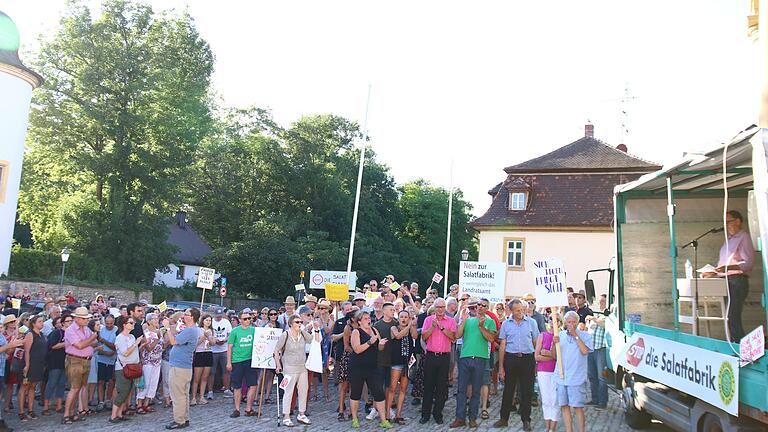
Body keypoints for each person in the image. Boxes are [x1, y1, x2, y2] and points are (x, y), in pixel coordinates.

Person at [703, 210, 755, 341]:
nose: (726, 225)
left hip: (737, 281)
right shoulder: (729, 240)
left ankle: (741, 348)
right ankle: (734, 344)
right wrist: (713, 272)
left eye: (728, 222)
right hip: (726, 281)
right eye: (724, 223)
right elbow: (725, 264)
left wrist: (728, 267)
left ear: (737, 221)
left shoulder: (744, 237)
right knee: (728, 317)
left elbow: (748, 263)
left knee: (733, 316)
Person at [449, 298, 497, 429]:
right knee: (461, 390)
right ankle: (460, 418)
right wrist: (463, 320)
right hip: (465, 357)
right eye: (478, 305)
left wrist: (481, 327)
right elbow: (457, 336)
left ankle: (472, 418)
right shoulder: (468, 320)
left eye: (483, 305)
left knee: (476, 390)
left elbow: (491, 338)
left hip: (481, 358)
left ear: (487, 308)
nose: (480, 307)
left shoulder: (490, 321)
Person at [495, 299, 540, 431]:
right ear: (511, 311)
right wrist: (501, 367)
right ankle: (504, 418)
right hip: (511, 358)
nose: (520, 312)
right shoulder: (506, 324)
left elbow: (536, 342)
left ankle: (526, 420)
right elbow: (503, 345)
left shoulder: (531, 322)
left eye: (521, 309)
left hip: (527, 358)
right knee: (508, 390)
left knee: (527, 391)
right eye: (517, 310)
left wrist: (536, 361)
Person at [274, 314, 321, 427]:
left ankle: (301, 413)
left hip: (302, 367)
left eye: (300, 322)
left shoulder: (303, 333)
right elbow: (276, 350)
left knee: (303, 391)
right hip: (289, 368)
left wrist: (316, 329)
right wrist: (277, 365)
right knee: (288, 392)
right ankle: (286, 416)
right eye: (297, 322)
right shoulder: (285, 335)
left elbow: (316, 340)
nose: (299, 324)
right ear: (291, 323)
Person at [348, 310, 391, 429]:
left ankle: (383, 420)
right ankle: (355, 419)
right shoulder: (356, 332)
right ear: (360, 321)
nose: (368, 320)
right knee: (356, 393)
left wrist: (381, 344)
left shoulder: (374, 330)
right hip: (358, 367)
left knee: (379, 393)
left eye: (369, 318)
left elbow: (379, 349)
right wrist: (369, 342)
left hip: (373, 367)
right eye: (365, 318)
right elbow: (357, 349)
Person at [554, 310, 593, 432]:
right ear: (565, 322)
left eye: (573, 322)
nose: (571, 324)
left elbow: (585, 351)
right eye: (569, 322)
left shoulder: (585, 335)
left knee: (578, 407)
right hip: (561, 377)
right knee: (564, 406)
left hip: (576, 378)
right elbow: (555, 355)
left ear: (577, 322)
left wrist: (576, 335)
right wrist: (553, 344)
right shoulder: (560, 335)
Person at [419, 298, 457, 425]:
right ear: (434, 308)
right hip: (430, 356)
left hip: (444, 357)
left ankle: (437, 413)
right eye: (438, 307)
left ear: (445, 308)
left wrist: (441, 328)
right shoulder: (428, 320)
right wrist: (432, 327)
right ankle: (425, 414)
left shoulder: (450, 321)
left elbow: (453, 338)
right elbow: (424, 337)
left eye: (442, 307)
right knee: (428, 386)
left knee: (441, 387)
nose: (440, 310)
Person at [165, 308, 201, 430]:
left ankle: (179, 420)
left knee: (178, 395)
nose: (183, 316)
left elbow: (173, 341)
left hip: (180, 367)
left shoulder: (190, 330)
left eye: (186, 314)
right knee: (183, 395)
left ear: (192, 317)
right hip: (184, 366)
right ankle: (184, 418)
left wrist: (167, 328)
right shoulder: (191, 330)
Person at [63, 307, 100, 424]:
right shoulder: (70, 330)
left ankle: (73, 413)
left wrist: (89, 341)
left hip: (86, 360)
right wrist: (91, 339)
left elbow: (91, 343)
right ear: (77, 319)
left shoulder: (85, 329)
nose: (86, 321)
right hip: (75, 360)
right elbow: (79, 345)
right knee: (74, 388)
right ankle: (66, 415)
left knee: (79, 388)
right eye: (84, 319)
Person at [110, 315, 145, 423]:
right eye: (130, 323)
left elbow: (133, 351)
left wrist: (141, 345)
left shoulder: (131, 337)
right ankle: (113, 415)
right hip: (123, 368)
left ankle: (120, 414)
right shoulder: (120, 338)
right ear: (124, 325)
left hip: (132, 367)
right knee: (122, 391)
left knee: (128, 390)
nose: (133, 324)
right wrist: (136, 343)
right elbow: (125, 353)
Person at [226, 310, 257, 418]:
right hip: (237, 361)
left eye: (249, 318)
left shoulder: (254, 330)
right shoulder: (235, 331)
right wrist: (229, 362)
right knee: (237, 386)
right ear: (240, 320)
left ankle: (249, 409)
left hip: (250, 360)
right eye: (245, 319)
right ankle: (237, 409)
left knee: (253, 385)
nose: (248, 320)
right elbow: (229, 347)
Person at [388, 309, 417, 425]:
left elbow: (415, 336)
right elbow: (398, 336)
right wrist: (410, 324)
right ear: (398, 318)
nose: (404, 319)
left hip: (407, 362)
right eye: (402, 317)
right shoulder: (393, 328)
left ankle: (398, 414)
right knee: (392, 388)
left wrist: (412, 326)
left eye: (406, 317)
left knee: (403, 389)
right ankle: (387, 414)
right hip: (396, 362)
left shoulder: (410, 327)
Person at [372, 302, 397, 421]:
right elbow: (376, 346)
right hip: (380, 360)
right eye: (391, 310)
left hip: (393, 360)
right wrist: (381, 345)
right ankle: (375, 408)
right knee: (378, 386)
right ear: (385, 311)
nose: (393, 311)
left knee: (389, 387)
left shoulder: (396, 323)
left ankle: (388, 407)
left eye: (394, 309)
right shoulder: (377, 325)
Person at [18, 315, 46, 421]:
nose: (42, 323)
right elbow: (27, 351)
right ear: (34, 323)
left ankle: (30, 409)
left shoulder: (42, 335)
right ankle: (21, 411)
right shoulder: (30, 334)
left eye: (42, 321)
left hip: (39, 364)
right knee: (24, 386)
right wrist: (27, 365)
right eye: (39, 321)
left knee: (33, 386)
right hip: (30, 363)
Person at [535, 315, 559, 432]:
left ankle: (553, 428)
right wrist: (551, 356)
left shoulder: (560, 336)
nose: (554, 322)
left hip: (556, 372)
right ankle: (547, 427)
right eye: (551, 319)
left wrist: (548, 353)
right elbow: (537, 356)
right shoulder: (542, 335)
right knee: (546, 400)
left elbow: (559, 357)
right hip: (543, 371)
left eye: (557, 320)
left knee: (555, 400)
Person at [137, 313, 163, 414]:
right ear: (149, 321)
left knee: (153, 383)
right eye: (154, 319)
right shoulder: (146, 332)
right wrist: (157, 339)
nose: (156, 320)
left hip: (158, 361)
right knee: (145, 383)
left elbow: (163, 345)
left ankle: (146, 404)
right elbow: (148, 348)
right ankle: (139, 404)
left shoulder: (159, 331)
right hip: (148, 361)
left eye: (157, 318)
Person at [43, 316, 68, 415]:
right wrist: (66, 343)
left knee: (62, 384)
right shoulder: (57, 333)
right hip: (55, 362)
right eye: (68, 321)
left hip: (65, 362)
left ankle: (59, 405)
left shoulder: (70, 333)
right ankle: (46, 407)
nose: (70, 323)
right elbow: (52, 346)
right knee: (51, 384)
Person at [587, 297, 608, 409]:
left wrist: (593, 319)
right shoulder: (596, 316)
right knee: (592, 375)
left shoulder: (608, 316)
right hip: (591, 349)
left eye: (603, 301)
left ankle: (602, 401)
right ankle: (594, 399)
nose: (600, 303)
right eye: (599, 302)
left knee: (601, 377)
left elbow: (604, 324)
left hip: (601, 349)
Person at [191, 314, 215, 406]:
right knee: (197, 377)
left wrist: (209, 337)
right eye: (206, 320)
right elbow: (195, 344)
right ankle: (193, 397)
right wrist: (204, 337)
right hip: (200, 353)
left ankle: (201, 396)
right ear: (203, 321)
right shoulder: (198, 330)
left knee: (205, 377)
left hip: (208, 353)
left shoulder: (211, 331)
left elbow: (213, 343)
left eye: (210, 320)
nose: (208, 322)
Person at [95, 314, 117, 412]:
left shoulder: (117, 330)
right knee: (100, 381)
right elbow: (97, 345)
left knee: (111, 381)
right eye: (107, 323)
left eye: (111, 323)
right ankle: (100, 400)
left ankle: (108, 399)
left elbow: (114, 347)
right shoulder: (101, 330)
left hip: (112, 360)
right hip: (101, 359)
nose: (109, 325)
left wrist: (103, 341)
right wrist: (104, 352)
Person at [210, 308, 232, 398]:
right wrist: (215, 340)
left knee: (226, 370)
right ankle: (210, 390)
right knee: (212, 371)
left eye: (220, 316)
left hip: (224, 349)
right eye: (217, 316)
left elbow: (230, 333)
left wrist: (225, 340)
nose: (219, 318)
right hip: (213, 349)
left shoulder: (226, 322)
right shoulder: (211, 321)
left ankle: (227, 389)